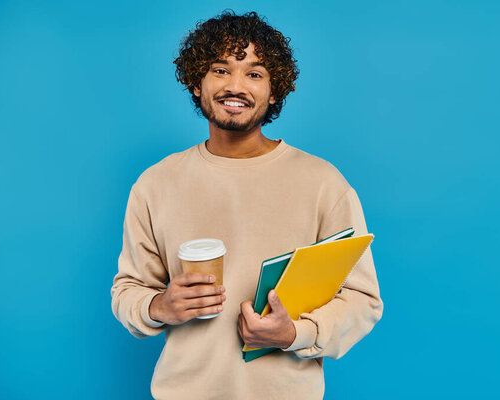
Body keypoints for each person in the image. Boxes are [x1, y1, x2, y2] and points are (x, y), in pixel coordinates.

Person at [111, 10, 383, 400]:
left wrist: (294, 333)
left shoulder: (324, 183)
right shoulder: (155, 183)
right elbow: (128, 290)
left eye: (254, 74)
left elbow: (362, 300)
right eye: (220, 70)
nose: (235, 86)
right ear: (195, 83)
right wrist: (158, 306)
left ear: (274, 92)